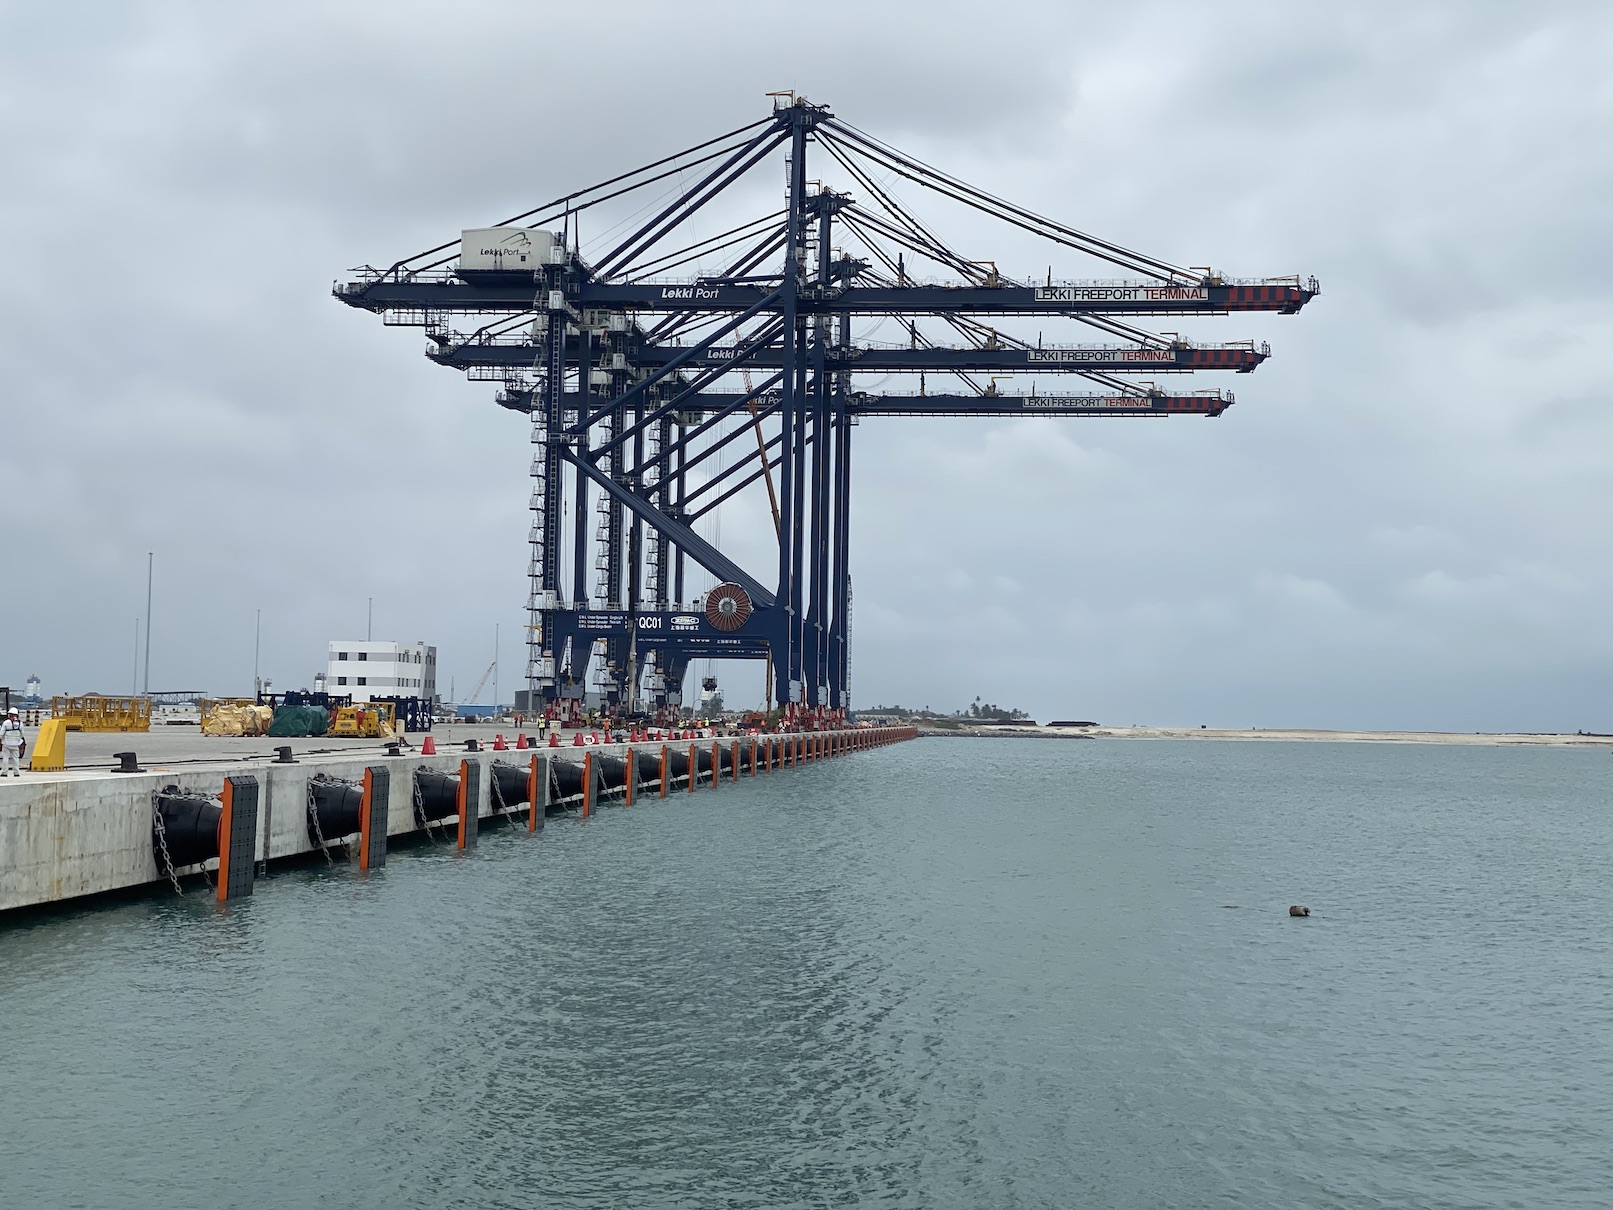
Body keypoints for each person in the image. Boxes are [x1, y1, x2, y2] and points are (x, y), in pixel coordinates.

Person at [1, 706, 25, 776]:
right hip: (16, 744)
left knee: (5, 758)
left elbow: (1, 733)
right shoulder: (20, 723)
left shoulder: (6, 722)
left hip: (6, 744)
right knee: (16, 759)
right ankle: (16, 772)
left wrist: (1, 739)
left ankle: (4, 772)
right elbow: (22, 734)